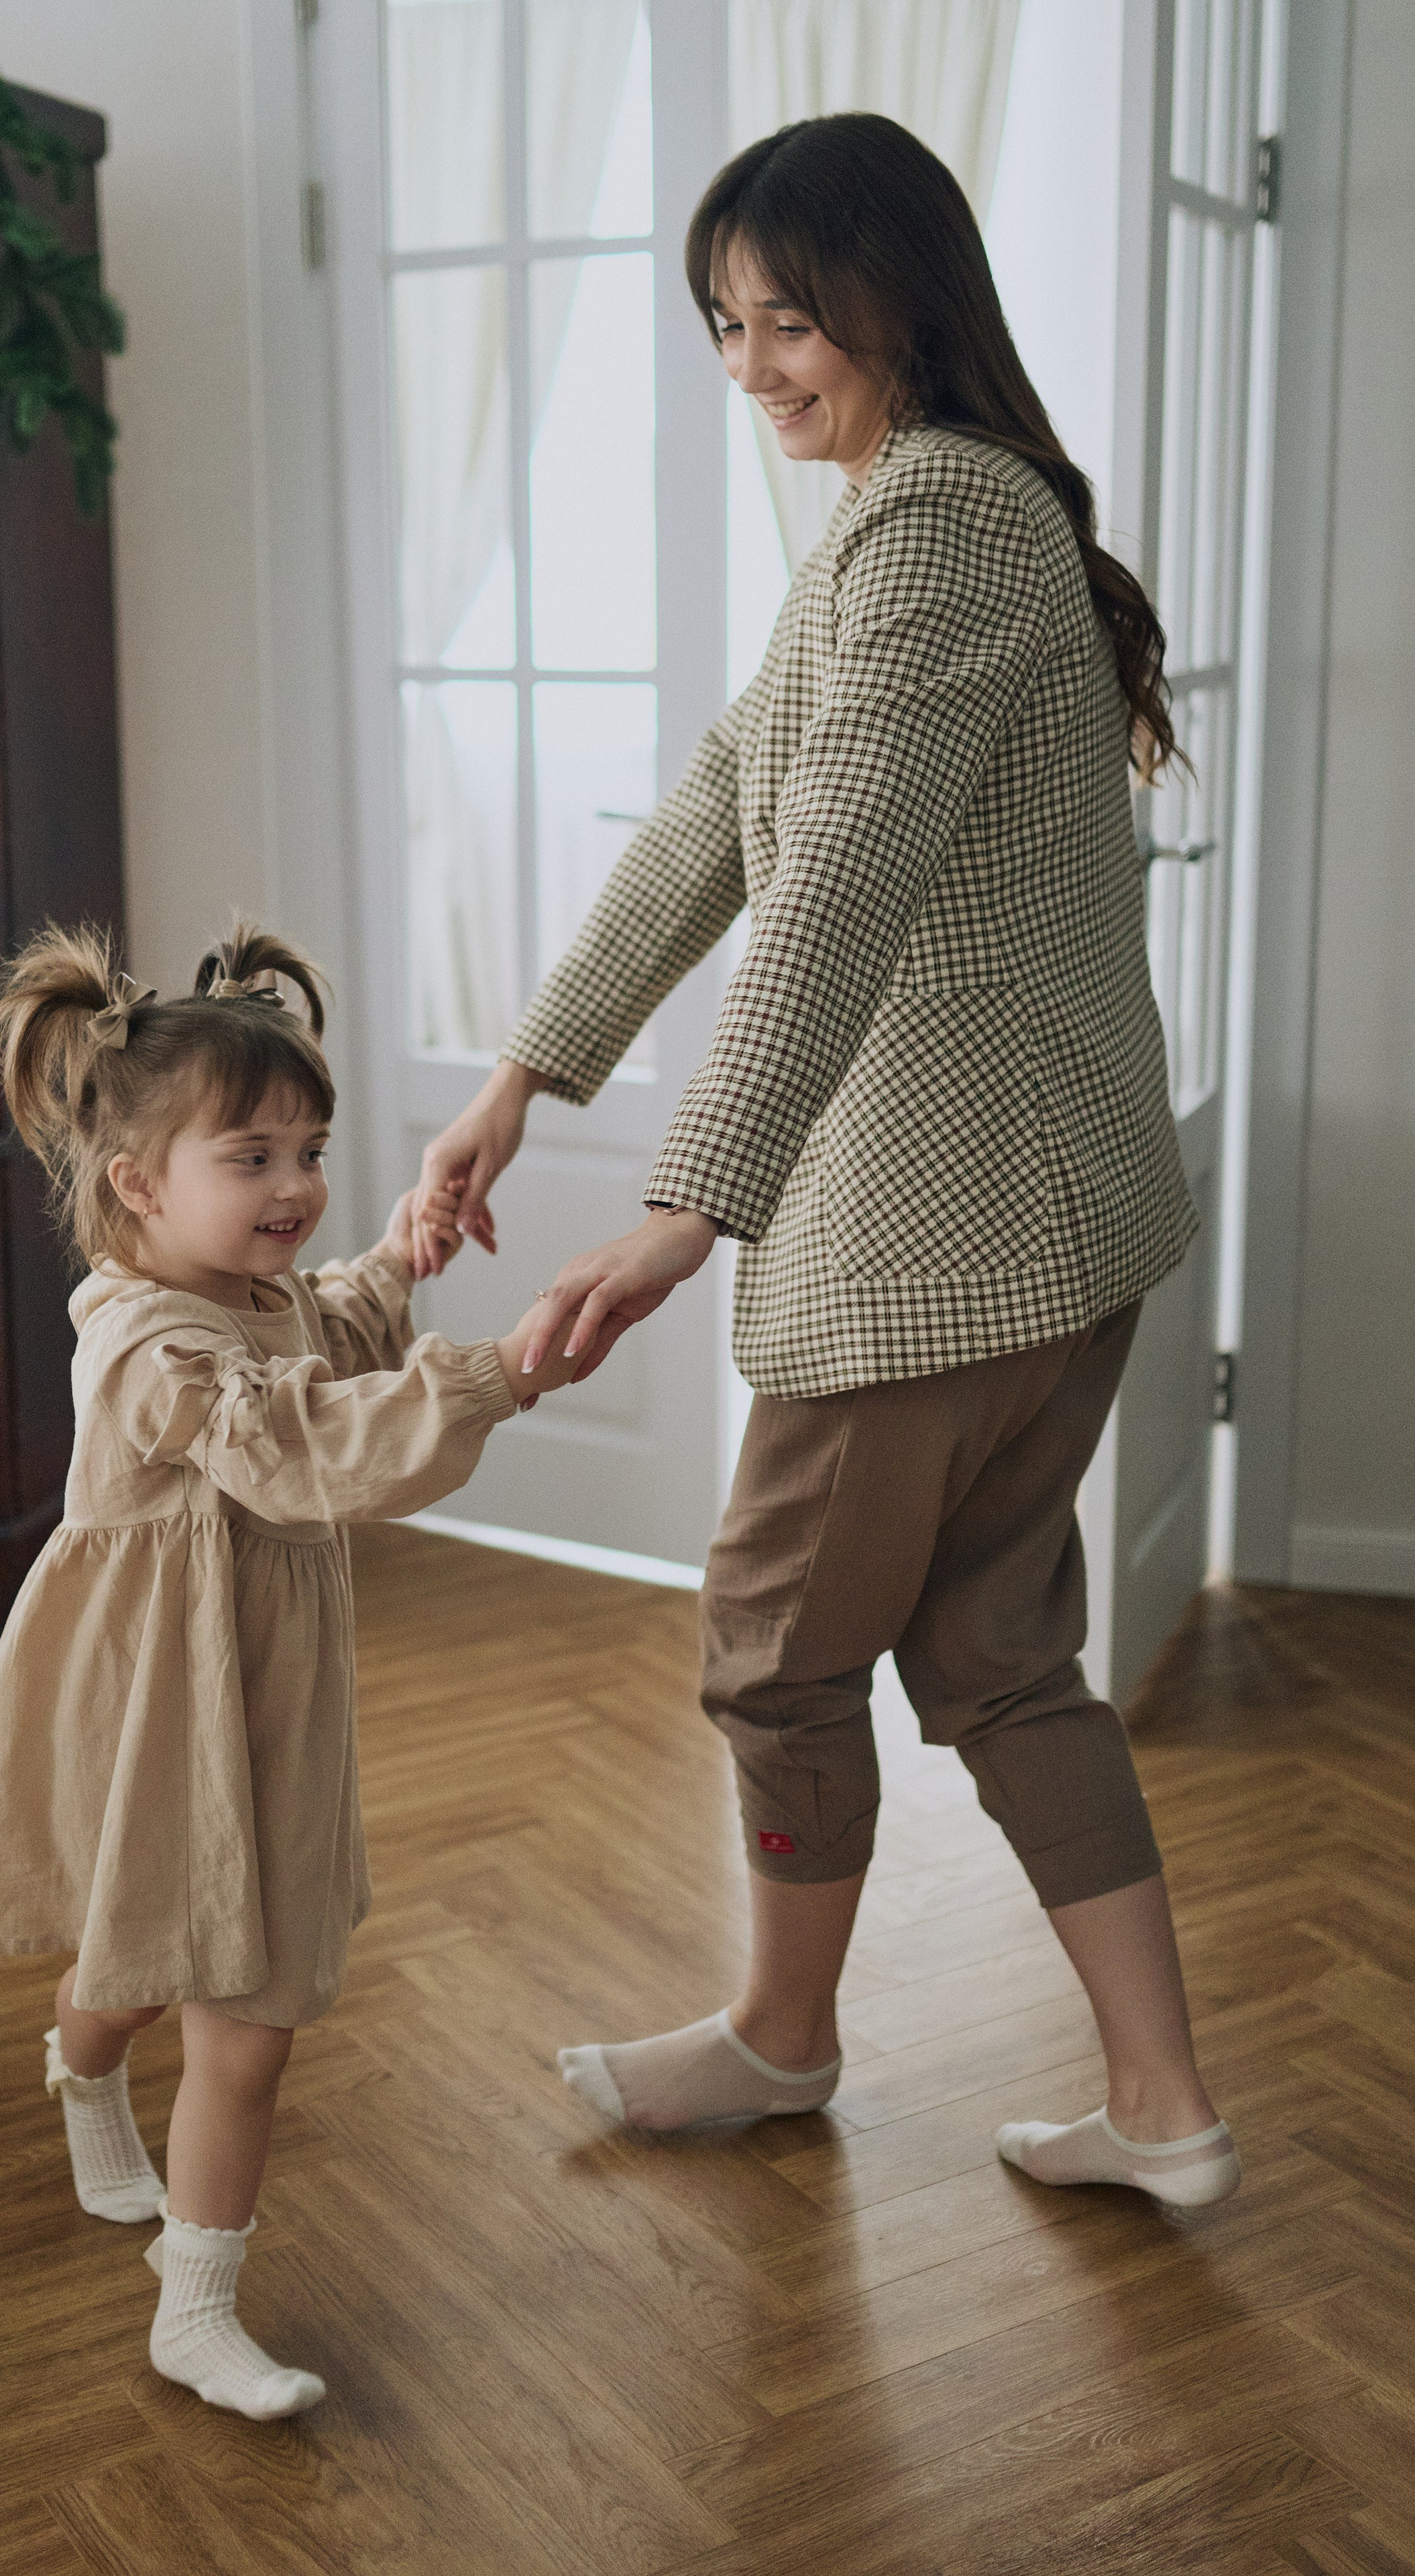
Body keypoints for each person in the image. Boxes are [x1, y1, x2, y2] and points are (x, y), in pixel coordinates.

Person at [412, 113, 1240, 2219]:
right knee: (993, 1654)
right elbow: (719, 813)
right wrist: (530, 1069)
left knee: (775, 1648)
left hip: (950, 1232)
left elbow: (847, 880)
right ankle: (1163, 2106)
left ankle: (787, 2041)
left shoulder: (945, 527)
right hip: (1051, 1221)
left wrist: (695, 1201)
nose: (757, 357)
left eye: (790, 312)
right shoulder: (912, 517)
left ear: (903, 295)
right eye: (725, 324)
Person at [0, 923, 577, 2420]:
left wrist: (406, 1247)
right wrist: (496, 1376)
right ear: (137, 1185)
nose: (295, 1186)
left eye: (312, 1149)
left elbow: (328, 1328)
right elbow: (294, 1443)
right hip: (159, 1696)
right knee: (141, 1963)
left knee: (248, 2000)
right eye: (253, 1156)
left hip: (268, 1699)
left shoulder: (259, 1292)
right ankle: (84, 2071)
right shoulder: (150, 1350)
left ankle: (194, 2300)